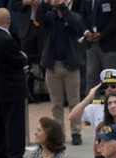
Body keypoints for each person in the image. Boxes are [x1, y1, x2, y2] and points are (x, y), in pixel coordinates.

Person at [37, 0, 84, 147]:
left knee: (74, 101)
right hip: (53, 66)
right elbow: (39, 17)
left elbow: (75, 24)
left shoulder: (72, 16)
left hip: (71, 66)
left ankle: (76, 132)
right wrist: (45, 3)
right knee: (56, 103)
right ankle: (59, 134)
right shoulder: (49, 18)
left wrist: (62, 7)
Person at [0, 9, 29, 158]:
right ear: (9, 20)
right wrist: (23, 56)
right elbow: (18, 61)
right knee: (14, 124)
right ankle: (15, 156)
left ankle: (0, 152)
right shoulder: (6, 39)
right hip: (12, 90)